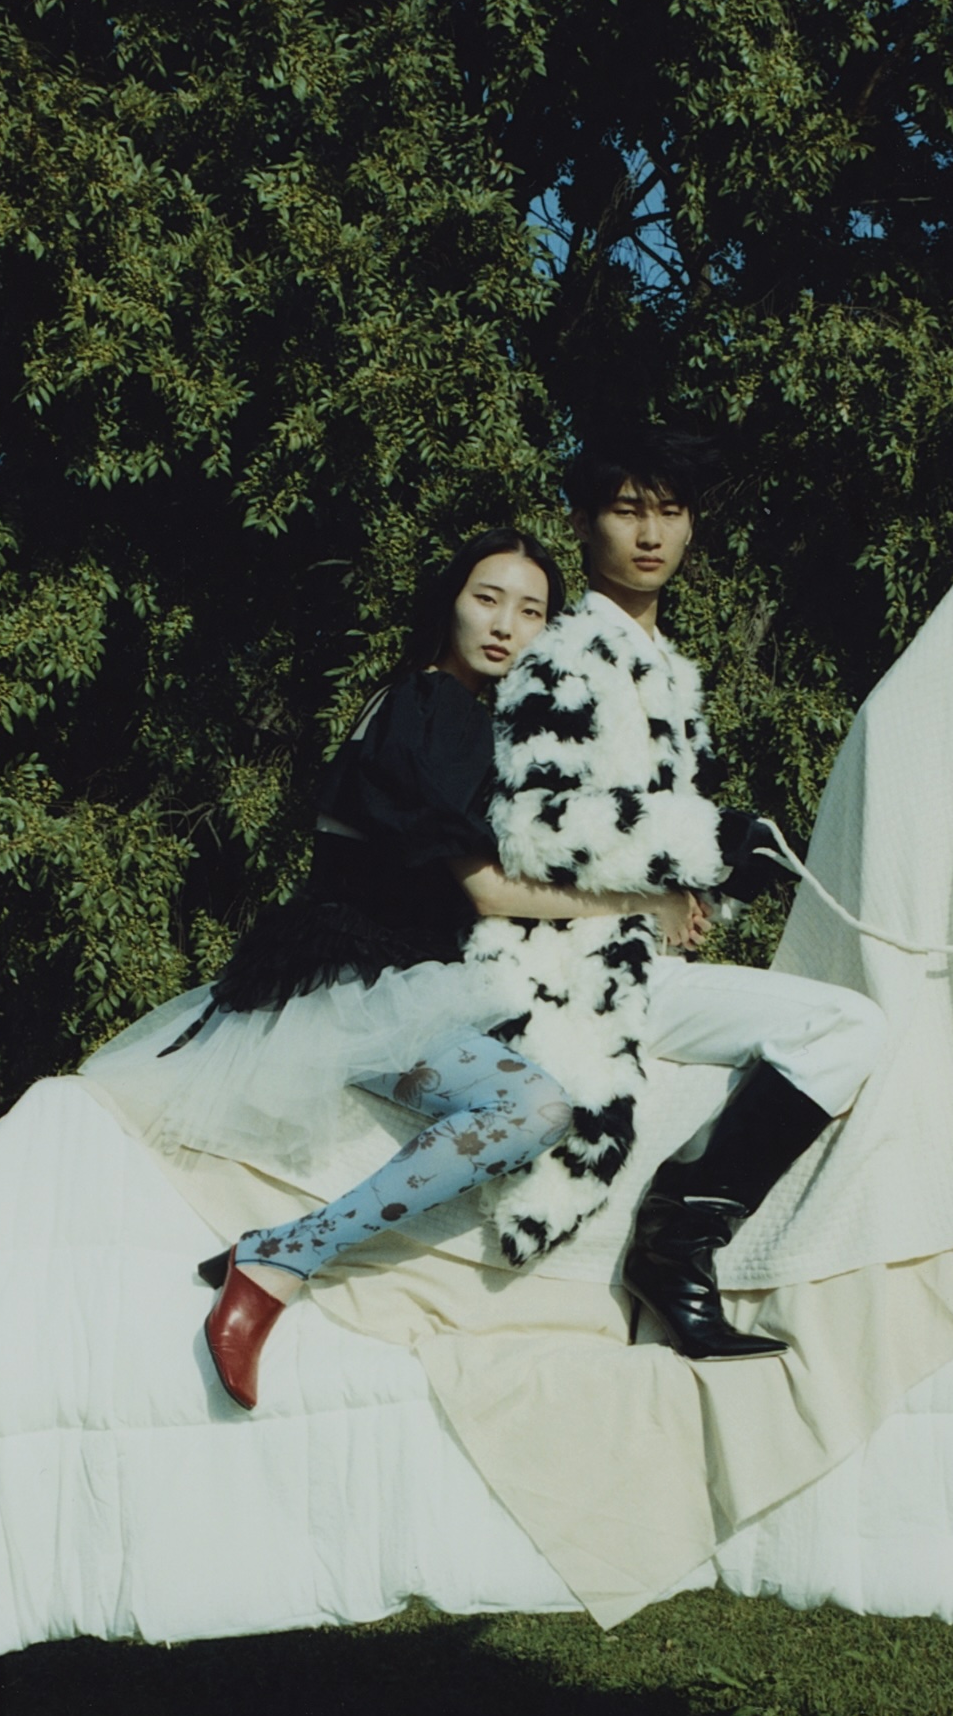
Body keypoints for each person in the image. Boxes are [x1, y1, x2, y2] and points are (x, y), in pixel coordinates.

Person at [76, 529, 707, 1408]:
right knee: (530, 1107)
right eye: (487, 598)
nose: (506, 625)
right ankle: (280, 1257)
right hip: (356, 985)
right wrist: (639, 901)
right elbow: (488, 890)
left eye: (531, 611)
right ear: (450, 601)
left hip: (390, 973)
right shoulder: (433, 709)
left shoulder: (446, 714)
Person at [471, 428, 887, 1358]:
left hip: (638, 958)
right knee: (847, 1025)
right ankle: (676, 1240)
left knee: (847, 1022)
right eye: (627, 511)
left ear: (693, 525)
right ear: (584, 525)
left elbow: (664, 856)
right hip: (573, 966)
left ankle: (683, 1231)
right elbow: (532, 825)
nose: (650, 534)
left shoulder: (669, 670)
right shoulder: (560, 657)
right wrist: (705, 844)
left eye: (670, 511)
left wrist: (708, 884)